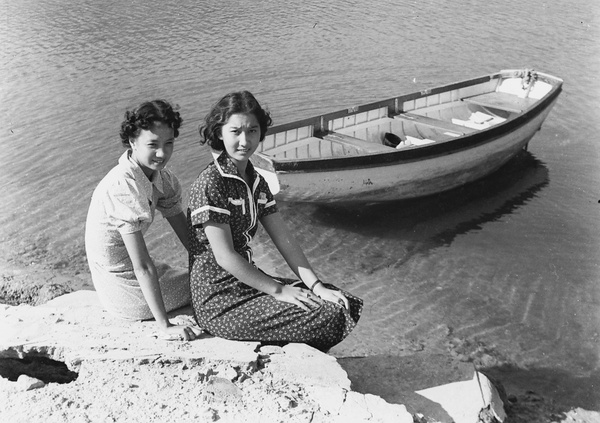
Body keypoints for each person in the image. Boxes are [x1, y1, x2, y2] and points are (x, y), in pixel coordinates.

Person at [187, 91, 362, 351]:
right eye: (235, 131)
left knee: (339, 299)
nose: (244, 141)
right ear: (219, 132)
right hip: (220, 300)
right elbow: (224, 257)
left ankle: (290, 344)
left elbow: (283, 238)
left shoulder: (256, 180)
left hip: (248, 283)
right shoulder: (211, 183)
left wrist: (316, 284)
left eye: (252, 131)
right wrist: (279, 291)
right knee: (329, 314)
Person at [85, 99, 197, 341]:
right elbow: (142, 266)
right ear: (133, 142)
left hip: (132, 276)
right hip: (123, 290)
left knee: (206, 275)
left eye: (169, 143)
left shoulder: (160, 178)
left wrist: (216, 262)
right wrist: (165, 327)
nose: (162, 153)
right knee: (203, 284)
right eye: (153, 144)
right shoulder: (123, 187)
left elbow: (189, 238)